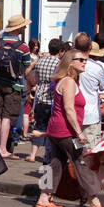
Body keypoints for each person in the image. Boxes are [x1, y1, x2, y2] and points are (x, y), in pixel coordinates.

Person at [35, 47, 103, 207]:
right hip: (67, 131)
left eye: (85, 60)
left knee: (54, 164)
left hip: (55, 130)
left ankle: (43, 199)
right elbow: (69, 109)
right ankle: (94, 200)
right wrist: (79, 133)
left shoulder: (63, 80)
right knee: (81, 162)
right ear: (70, 63)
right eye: (80, 60)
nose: (84, 62)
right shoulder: (69, 82)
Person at [0, 16, 31, 158]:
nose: (24, 28)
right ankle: (2, 149)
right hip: (14, 85)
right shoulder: (23, 47)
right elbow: (26, 69)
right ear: (18, 29)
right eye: (23, 26)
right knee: (7, 117)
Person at [72, 32, 104, 153]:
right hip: (90, 115)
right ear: (90, 48)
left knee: (74, 153)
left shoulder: (68, 64)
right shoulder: (97, 68)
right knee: (90, 153)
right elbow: (103, 86)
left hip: (72, 114)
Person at [27, 38, 64, 166]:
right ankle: (47, 156)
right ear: (60, 51)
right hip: (52, 99)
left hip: (40, 99)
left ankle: (32, 154)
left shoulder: (40, 61)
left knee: (39, 125)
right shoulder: (59, 64)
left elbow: (34, 77)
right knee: (50, 129)